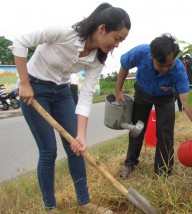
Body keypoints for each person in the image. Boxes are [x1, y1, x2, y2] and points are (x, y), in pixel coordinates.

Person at [9, 3, 131, 213]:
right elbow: (20, 42)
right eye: (117, 38)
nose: (117, 45)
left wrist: (81, 136)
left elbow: (85, 97)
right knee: (48, 151)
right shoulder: (64, 32)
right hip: (35, 90)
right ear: (102, 29)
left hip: (63, 92)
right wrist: (24, 82)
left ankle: (85, 202)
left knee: (77, 149)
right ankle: (51, 207)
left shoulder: (97, 59)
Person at [115, 34, 192, 178]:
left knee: (165, 133)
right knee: (137, 128)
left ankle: (163, 171)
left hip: (165, 97)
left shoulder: (178, 69)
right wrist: (118, 90)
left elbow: (186, 100)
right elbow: (124, 65)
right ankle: (130, 163)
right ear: (152, 56)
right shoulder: (140, 52)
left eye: (169, 65)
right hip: (142, 92)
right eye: (161, 65)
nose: (165, 69)